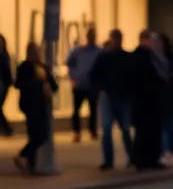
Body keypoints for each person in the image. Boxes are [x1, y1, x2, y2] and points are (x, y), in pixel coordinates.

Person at [89, 30, 135, 170]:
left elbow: (133, 76)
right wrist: (101, 88)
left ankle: (132, 156)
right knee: (108, 128)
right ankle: (109, 160)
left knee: (125, 129)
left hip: (122, 97)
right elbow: (93, 75)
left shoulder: (126, 58)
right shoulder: (105, 57)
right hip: (109, 96)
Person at [12, 42, 56, 175]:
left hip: (42, 105)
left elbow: (53, 85)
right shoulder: (24, 67)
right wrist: (38, 85)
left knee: (39, 135)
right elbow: (19, 84)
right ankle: (24, 157)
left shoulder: (42, 67)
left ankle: (30, 164)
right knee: (36, 134)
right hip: (30, 105)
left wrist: (48, 87)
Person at [130, 30, 168, 170]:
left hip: (153, 100)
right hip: (144, 100)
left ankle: (151, 158)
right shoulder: (139, 57)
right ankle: (142, 159)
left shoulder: (154, 56)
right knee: (144, 132)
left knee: (153, 131)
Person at [65, 28, 101, 142]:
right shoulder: (78, 50)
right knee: (76, 110)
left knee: (93, 109)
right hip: (79, 84)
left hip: (92, 85)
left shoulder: (98, 51)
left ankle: (92, 130)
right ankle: (77, 132)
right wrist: (73, 78)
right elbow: (69, 64)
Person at [0, 34, 15, 137]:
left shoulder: (4, 56)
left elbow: (6, 71)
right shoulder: (5, 55)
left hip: (3, 84)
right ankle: (6, 129)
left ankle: (7, 129)